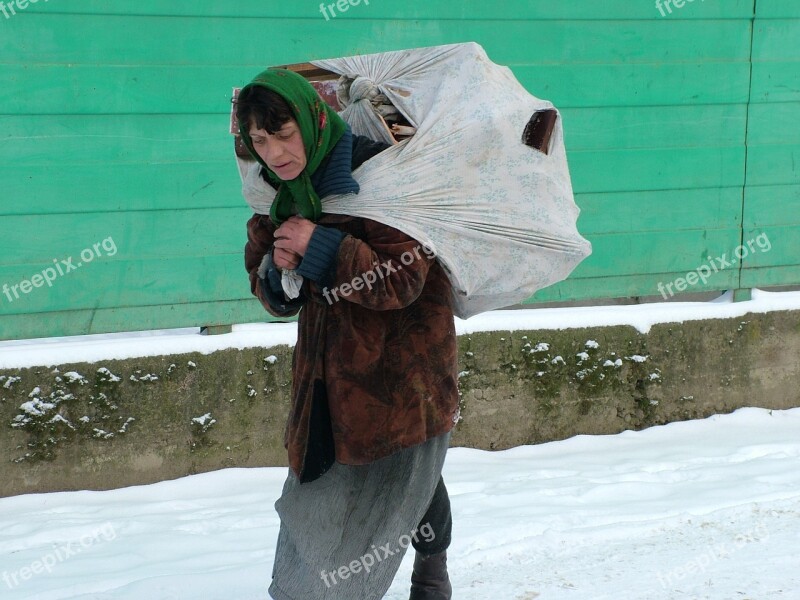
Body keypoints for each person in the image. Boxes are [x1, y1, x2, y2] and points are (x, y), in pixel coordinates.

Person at [235, 68, 459, 600]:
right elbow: (269, 292)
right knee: (343, 483)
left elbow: (405, 277)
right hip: (325, 376)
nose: (274, 152)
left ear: (311, 122)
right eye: (260, 141)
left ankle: (432, 567)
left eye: (283, 132)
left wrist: (323, 248)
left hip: (404, 370)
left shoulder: (382, 175)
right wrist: (278, 270)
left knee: (406, 471)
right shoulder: (277, 195)